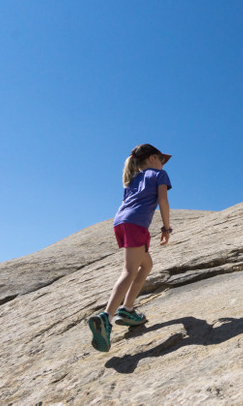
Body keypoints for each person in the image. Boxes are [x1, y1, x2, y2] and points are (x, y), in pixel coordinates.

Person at [88, 144, 173, 352]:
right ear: (153, 159)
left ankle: (127, 310)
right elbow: (163, 199)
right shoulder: (158, 175)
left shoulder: (132, 179)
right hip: (136, 224)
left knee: (146, 265)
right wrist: (166, 227)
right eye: (161, 159)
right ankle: (106, 317)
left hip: (121, 222)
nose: (163, 163)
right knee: (129, 270)